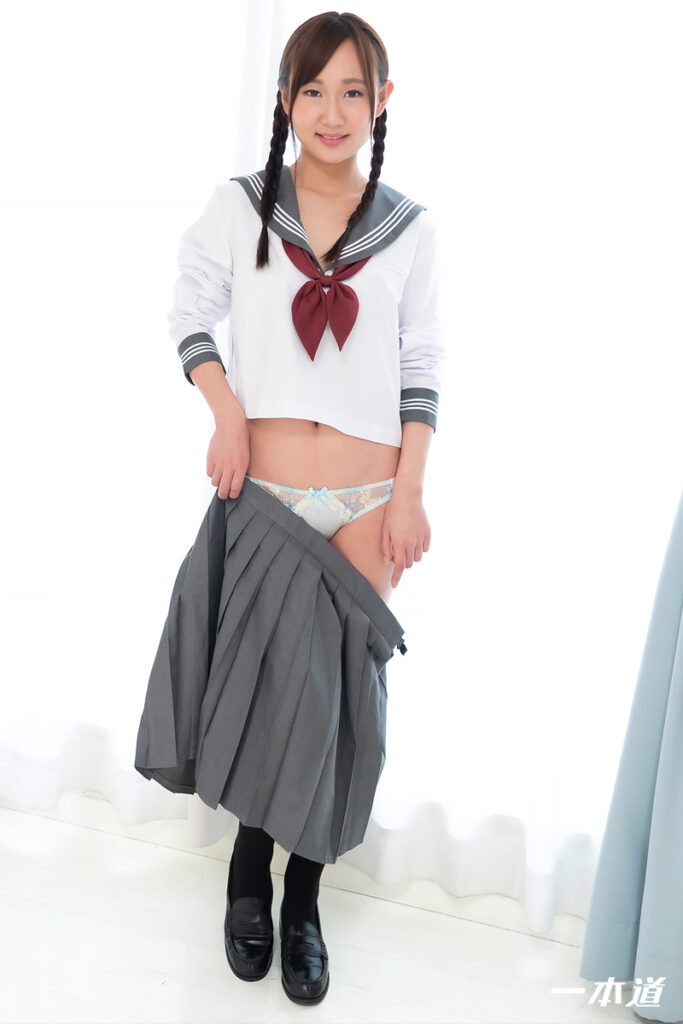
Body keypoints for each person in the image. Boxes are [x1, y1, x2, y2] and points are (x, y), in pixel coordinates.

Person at [134, 10, 446, 1006]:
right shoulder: (239, 209)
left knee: (341, 710)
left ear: (382, 101)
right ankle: (245, 875)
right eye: (312, 90)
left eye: (352, 91)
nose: (331, 111)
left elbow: (420, 365)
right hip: (264, 489)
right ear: (284, 99)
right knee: (261, 691)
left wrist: (409, 494)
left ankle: (303, 898)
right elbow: (189, 311)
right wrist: (225, 414)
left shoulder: (408, 229)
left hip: (366, 500)